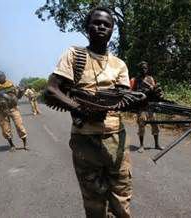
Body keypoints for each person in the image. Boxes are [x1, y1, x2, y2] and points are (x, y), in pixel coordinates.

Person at [46, 7, 132, 217]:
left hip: (115, 138)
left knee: (121, 198)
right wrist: (82, 110)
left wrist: (143, 97)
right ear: (87, 27)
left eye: (107, 24)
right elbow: (51, 90)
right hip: (85, 139)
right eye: (96, 22)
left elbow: (123, 98)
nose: (101, 26)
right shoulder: (74, 55)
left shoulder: (119, 64)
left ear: (112, 30)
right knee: (93, 201)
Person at [130, 61, 164, 153]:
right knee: (141, 125)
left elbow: (154, 90)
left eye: (145, 68)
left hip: (150, 106)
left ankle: (156, 144)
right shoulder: (135, 80)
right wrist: (141, 93)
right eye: (142, 68)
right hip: (141, 106)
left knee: (155, 125)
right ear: (139, 69)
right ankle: (141, 145)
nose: (144, 69)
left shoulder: (150, 79)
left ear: (147, 68)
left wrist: (154, 91)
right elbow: (131, 93)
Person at [0, 71, 28, 151]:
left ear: (5, 76)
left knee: (19, 126)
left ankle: (25, 144)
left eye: (2, 76)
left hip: (13, 108)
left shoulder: (11, 85)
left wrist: (21, 91)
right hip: (2, 111)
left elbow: (18, 96)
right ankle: (12, 145)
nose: (1, 77)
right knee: (5, 129)